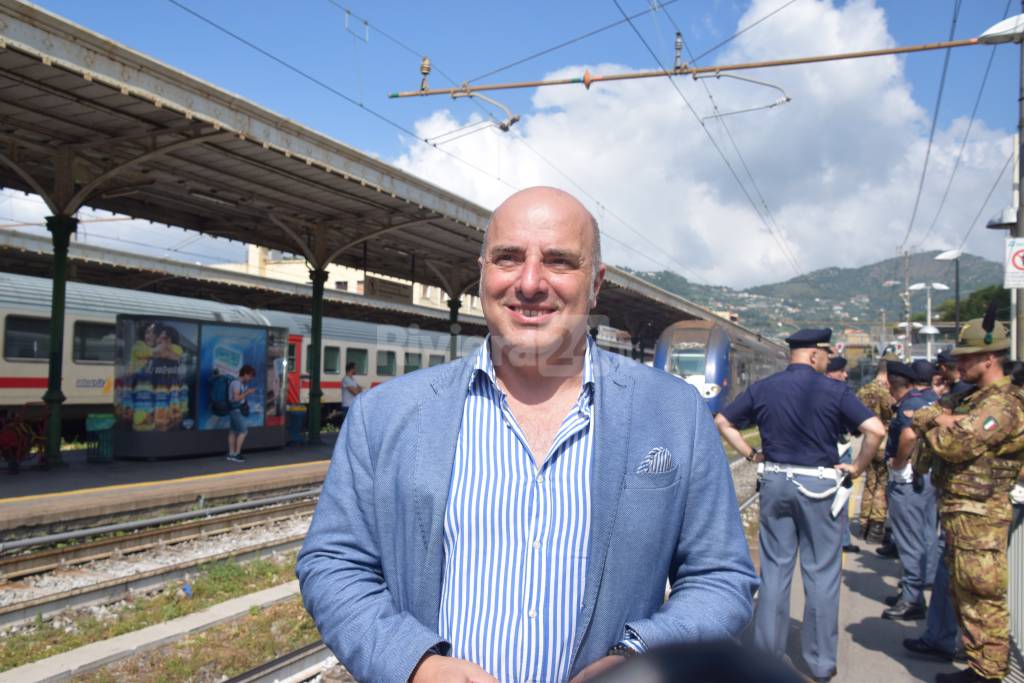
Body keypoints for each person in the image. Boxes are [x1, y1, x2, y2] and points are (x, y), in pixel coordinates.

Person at [296, 187, 758, 683]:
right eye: (508, 258)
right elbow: (333, 562)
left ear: (595, 284)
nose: (530, 282)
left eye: (559, 261)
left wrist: (639, 658)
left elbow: (721, 577)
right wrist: (413, 663)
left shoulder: (673, 414)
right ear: (482, 273)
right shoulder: (383, 416)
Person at [715, 329, 885, 683]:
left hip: (776, 481)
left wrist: (751, 454)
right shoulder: (835, 390)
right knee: (821, 573)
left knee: (775, 571)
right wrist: (857, 467)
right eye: (825, 353)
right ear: (813, 355)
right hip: (819, 486)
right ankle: (820, 662)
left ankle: (765, 657)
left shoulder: (764, 387)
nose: (827, 359)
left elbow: (723, 420)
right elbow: (876, 430)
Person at [911, 316, 1024, 683]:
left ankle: (989, 673)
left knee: (982, 594)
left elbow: (954, 444)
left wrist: (937, 421)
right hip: (963, 512)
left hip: (983, 515)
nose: (957, 366)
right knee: (965, 593)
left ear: (989, 358)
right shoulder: (973, 399)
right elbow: (930, 417)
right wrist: (938, 417)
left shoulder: (1002, 405)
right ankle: (979, 667)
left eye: (966, 359)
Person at [879, 361, 939, 621]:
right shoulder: (930, 397)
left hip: (908, 479)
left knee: (908, 541)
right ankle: (918, 588)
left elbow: (909, 436)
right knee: (926, 536)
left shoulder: (909, 404)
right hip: (927, 478)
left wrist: (898, 461)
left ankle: (912, 599)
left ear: (893, 383)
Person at [857, 355, 897, 543]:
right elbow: (893, 413)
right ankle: (876, 526)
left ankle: (863, 524)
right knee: (882, 484)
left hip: (867, 440)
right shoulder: (888, 392)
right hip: (884, 441)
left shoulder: (864, 389)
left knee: (869, 483)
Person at [825, 356, 859, 553]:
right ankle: (843, 540)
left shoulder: (812, 391)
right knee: (842, 495)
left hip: (818, 451)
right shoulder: (841, 393)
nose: (846, 375)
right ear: (831, 372)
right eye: (842, 371)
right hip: (839, 448)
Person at [226, 365, 257, 463]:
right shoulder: (236, 383)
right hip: (236, 411)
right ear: (245, 374)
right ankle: (236, 454)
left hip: (233, 410)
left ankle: (231, 454)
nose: (251, 379)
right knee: (243, 431)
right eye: (250, 376)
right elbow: (236, 398)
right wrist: (247, 392)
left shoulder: (238, 383)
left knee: (233, 431)